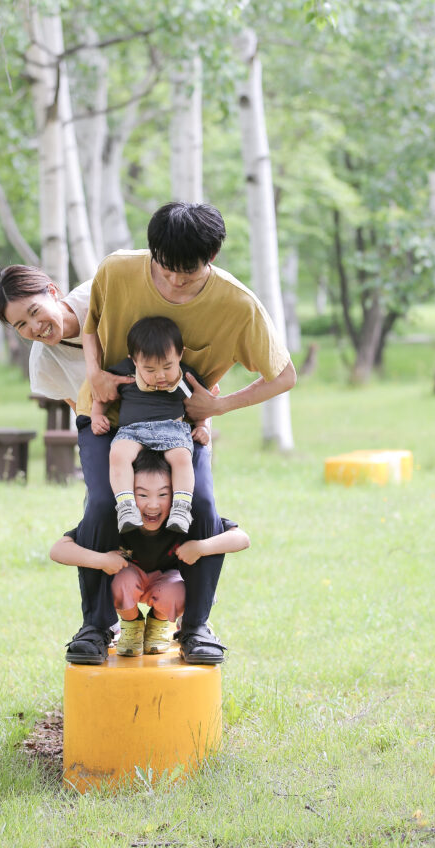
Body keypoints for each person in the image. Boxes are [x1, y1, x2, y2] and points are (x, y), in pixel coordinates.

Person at [67, 201, 296, 667]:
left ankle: (195, 627)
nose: (174, 282)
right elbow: (90, 325)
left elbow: (284, 375)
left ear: (210, 260)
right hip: (109, 416)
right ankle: (94, 627)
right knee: (102, 503)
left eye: (187, 274)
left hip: (180, 427)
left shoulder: (236, 303)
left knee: (204, 505)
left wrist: (218, 405)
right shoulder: (116, 270)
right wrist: (95, 375)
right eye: (165, 269)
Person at [50, 449, 249, 658]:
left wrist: (200, 548)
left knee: (176, 593)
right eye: (142, 494)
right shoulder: (118, 519)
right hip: (129, 579)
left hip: (167, 584)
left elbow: (242, 538)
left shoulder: (181, 519)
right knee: (119, 583)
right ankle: (132, 623)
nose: (153, 504)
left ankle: (158, 621)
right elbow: (58, 549)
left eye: (163, 494)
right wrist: (102, 560)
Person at [91, 316, 210, 534]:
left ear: (180, 354)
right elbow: (102, 393)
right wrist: (97, 415)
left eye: (167, 366)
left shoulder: (185, 377)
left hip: (172, 430)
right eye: (150, 369)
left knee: (182, 457)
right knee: (118, 454)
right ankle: (126, 506)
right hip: (132, 431)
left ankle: (182, 508)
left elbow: (200, 404)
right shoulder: (124, 373)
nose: (160, 375)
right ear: (134, 361)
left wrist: (203, 426)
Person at [0, 264, 135, 411]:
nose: (35, 327)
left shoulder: (98, 294)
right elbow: (82, 412)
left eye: (35, 311)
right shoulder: (43, 362)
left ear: (52, 292)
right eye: (22, 324)